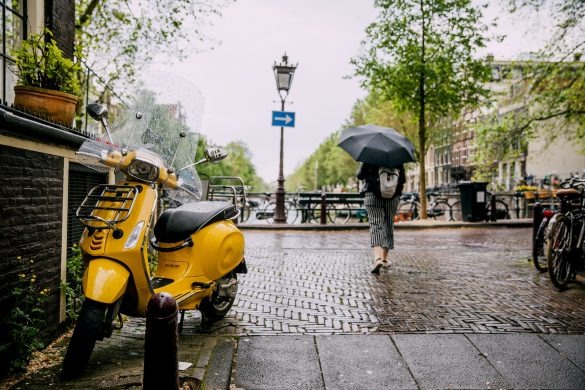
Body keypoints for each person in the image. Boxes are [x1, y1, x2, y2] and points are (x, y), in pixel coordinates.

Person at [356, 162, 406, 274]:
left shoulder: (369, 155)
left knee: (375, 224)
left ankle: (377, 258)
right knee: (388, 224)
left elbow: (360, 175)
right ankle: (384, 259)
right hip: (392, 195)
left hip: (372, 193)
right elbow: (403, 179)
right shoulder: (397, 156)